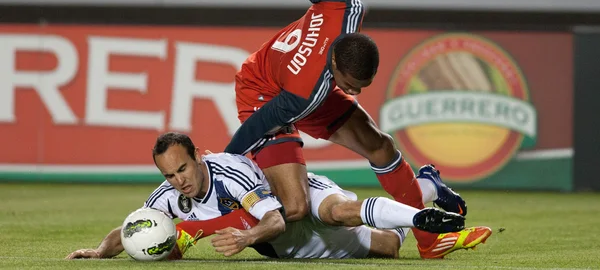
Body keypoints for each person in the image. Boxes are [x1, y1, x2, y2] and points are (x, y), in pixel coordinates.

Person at [223, 0, 490, 258]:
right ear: (335, 63)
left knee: (380, 146)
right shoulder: (304, 91)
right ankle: (426, 189)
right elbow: (255, 126)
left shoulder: (345, 5)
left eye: (362, 86)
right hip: (265, 89)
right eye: (351, 85)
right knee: (295, 208)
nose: (356, 93)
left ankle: (429, 243)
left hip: (311, 83)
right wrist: (220, 166)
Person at [66, 132, 479, 261]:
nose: (178, 182)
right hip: (285, 246)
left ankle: (419, 216)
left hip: (294, 194)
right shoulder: (169, 195)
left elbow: (279, 217)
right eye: (169, 175)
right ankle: (426, 186)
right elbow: (131, 228)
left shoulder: (229, 174)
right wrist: (101, 251)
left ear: (198, 156)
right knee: (388, 248)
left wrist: (244, 239)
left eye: (183, 169)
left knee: (339, 212)